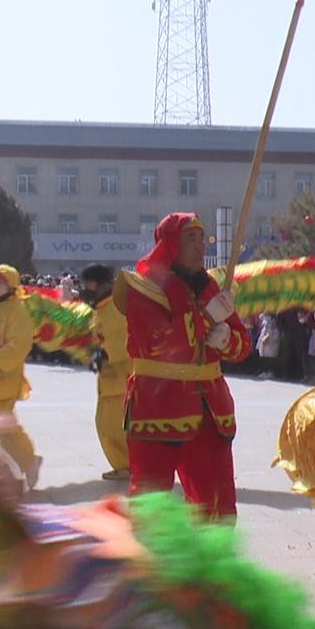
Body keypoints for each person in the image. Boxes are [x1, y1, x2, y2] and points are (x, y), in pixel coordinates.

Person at [117, 213, 250, 520]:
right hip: (157, 408)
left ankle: (214, 551)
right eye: (191, 239)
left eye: (202, 239)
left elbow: (243, 346)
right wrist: (205, 319)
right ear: (171, 244)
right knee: (151, 505)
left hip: (211, 412)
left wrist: (226, 339)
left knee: (217, 504)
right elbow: (157, 343)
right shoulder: (144, 288)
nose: (200, 246)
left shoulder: (212, 286)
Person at [0, 264, 43, 488]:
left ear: (11, 286)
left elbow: (20, 343)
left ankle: (25, 460)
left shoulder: (17, 311)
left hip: (5, 378)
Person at [80, 263, 130, 481]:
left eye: (88, 284)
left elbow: (123, 338)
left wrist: (105, 353)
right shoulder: (100, 310)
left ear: (101, 284)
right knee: (105, 427)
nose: (85, 289)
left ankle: (128, 465)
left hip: (122, 379)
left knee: (115, 428)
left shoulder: (117, 308)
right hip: (108, 381)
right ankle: (123, 465)